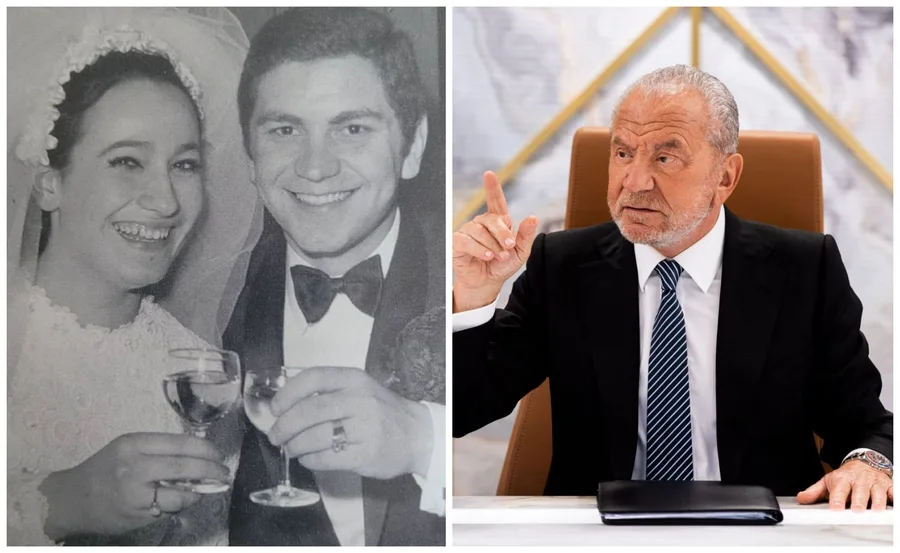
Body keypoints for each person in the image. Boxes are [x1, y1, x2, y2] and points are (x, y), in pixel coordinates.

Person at [452, 65, 893, 510]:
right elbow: (461, 409)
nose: (635, 181)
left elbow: (866, 427)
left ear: (725, 177)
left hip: (760, 534)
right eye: (623, 153)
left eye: (664, 158)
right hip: (600, 535)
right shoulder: (562, 266)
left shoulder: (804, 270)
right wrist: (474, 296)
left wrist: (867, 463)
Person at [7, 7, 259, 545]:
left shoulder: (204, 378)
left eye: (184, 165)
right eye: (126, 161)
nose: (166, 200)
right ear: (48, 182)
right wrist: (51, 504)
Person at [223, 7, 445, 547]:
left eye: (351, 128)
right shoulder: (218, 300)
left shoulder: (485, 282)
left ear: (411, 146)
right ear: (251, 154)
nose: (315, 167)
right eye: (284, 130)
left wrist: (425, 442)